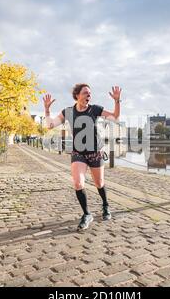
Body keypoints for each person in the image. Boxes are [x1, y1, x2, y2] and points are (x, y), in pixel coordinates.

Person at [44, 84, 122, 230]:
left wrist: (117, 101)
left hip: (95, 152)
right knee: (78, 183)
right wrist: (47, 110)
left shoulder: (95, 109)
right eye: (85, 93)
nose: (88, 96)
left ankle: (105, 205)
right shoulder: (68, 112)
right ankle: (87, 214)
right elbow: (50, 125)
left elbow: (115, 117)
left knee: (99, 183)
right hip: (78, 153)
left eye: (90, 94)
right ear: (77, 95)